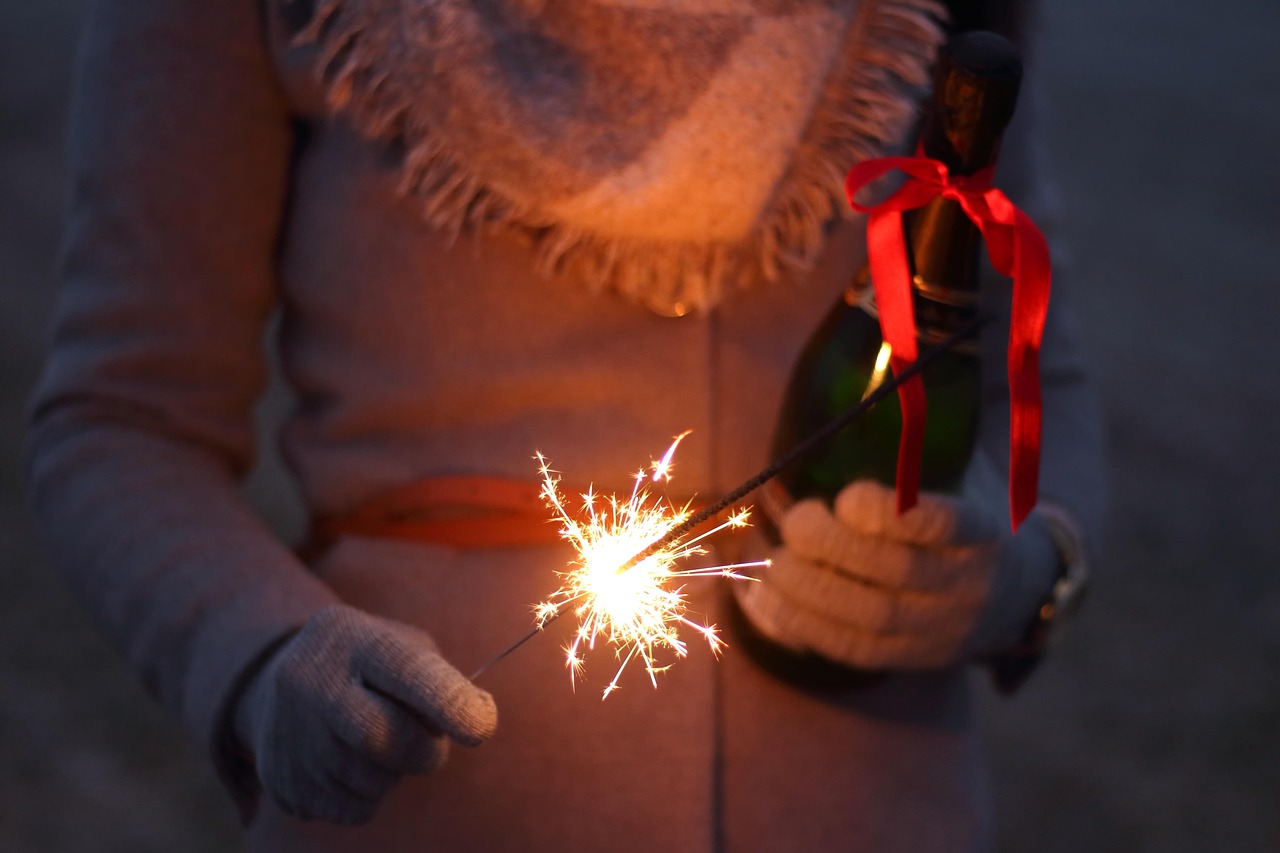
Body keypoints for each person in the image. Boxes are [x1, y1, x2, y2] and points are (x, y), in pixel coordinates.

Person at [26, 0, 1103, 850]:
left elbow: (1035, 372)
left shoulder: (931, 17)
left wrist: (1018, 573)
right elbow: (122, 419)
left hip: (874, 812)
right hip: (432, 820)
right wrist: (258, 652)